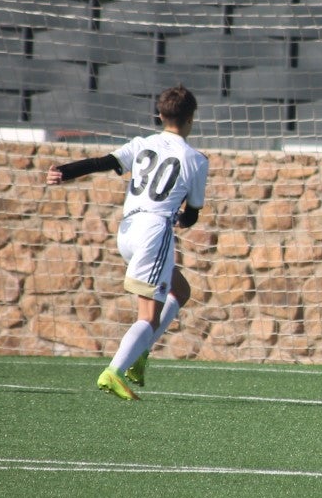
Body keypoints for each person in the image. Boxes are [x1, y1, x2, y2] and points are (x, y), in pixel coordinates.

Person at [46, 85, 209, 401]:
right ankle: (116, 371)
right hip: (153, 234)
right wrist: (179, 220)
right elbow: (193, 214)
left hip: (128, 230)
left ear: (160, 116)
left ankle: (139, 354)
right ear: (191, 118)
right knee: (148, 317)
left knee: (181, 291)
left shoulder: (143, 144)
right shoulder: (196, 160)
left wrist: (64, 172)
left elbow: (101, 162)